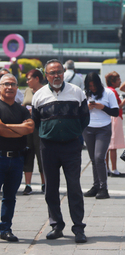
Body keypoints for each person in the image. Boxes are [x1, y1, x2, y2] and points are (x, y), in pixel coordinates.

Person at [32, 59, 89, 243]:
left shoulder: (76, 92)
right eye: (52, 73)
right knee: (51, 188)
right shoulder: (39, 95)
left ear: (63, 72)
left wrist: (72, 132)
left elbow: (84, 118)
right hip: (48, 147)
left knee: (74, 186)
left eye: (59, 72)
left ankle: (78, 228)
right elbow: (36, 121)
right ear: (46, 75)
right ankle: (56, 225)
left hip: (71, 146)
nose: (56, 75)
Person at [0, 73, 34, 241]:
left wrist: (6, 127)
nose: (10, 87)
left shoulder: (21, 109)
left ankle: (5, 229)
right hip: (0, 157)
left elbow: (30, 128)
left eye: (13, 84)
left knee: (10, 197)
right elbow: (2, 132)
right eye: (6, 84)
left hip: (17, 159)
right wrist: (18, 129)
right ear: (0, 87)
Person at [82, 72, 119, 199]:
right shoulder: (84, 93)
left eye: (94, 85)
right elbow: (78, 111)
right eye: (89, 86)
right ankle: (96, 185)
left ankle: (104, 188)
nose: (92, 88)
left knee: (99, 157)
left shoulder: (108, 93)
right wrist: (87, 108)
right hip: (88, 128)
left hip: (103, 128)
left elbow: (115, 112)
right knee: (93, 159)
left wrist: (102, 107)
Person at [22, 69, 45, 195]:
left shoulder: (46, 91)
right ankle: (28, 184)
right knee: (28, 154)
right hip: (27, 127)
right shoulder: (27, 91)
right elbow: (23, 104)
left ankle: (44, 183)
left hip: (40, 127)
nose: (27, 81)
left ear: (37, 79)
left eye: (29, 78)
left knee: (41, 155)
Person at [105, 71, 125, 177]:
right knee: (112, 146)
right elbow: (117, 106)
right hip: (115, 118)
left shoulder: (107, 90)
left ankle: (107, 168)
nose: (120, 81)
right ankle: (114, 169)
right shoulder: (112, 91)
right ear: (112, 81)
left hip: (110, 118)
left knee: (108, 146)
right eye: (118, 79)